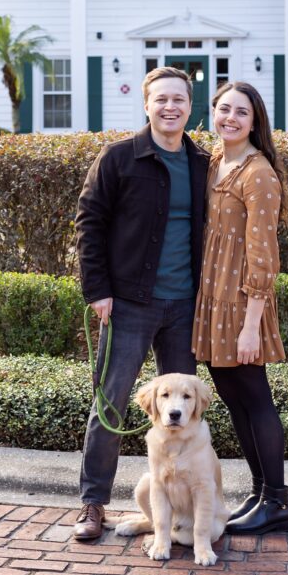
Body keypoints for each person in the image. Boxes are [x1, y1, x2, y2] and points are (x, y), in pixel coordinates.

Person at [73, 65, 210, 541]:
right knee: (110, 403)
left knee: (183, 413)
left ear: (190, 107)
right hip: (129, 303)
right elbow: (89, 223)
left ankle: (179, 511)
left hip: (184, 308)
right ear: (146, 104)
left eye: (179, 100)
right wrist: (98, 290)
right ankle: (93, 504)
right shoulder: (118, 158)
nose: (170, 107)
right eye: (161, 99)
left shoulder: (202, 163)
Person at [192, 80, 288, 535]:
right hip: (213, 300)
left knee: (256, 399)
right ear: (213, 112)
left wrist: (252, 326)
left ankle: (278, 500)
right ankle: (259, 491)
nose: (230, 118)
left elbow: (263, 254)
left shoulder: (257, 173)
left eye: (242, 112)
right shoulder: (215, 160)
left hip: (241, 304)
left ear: (255, 122)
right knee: (234, 401)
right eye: (224, 109)